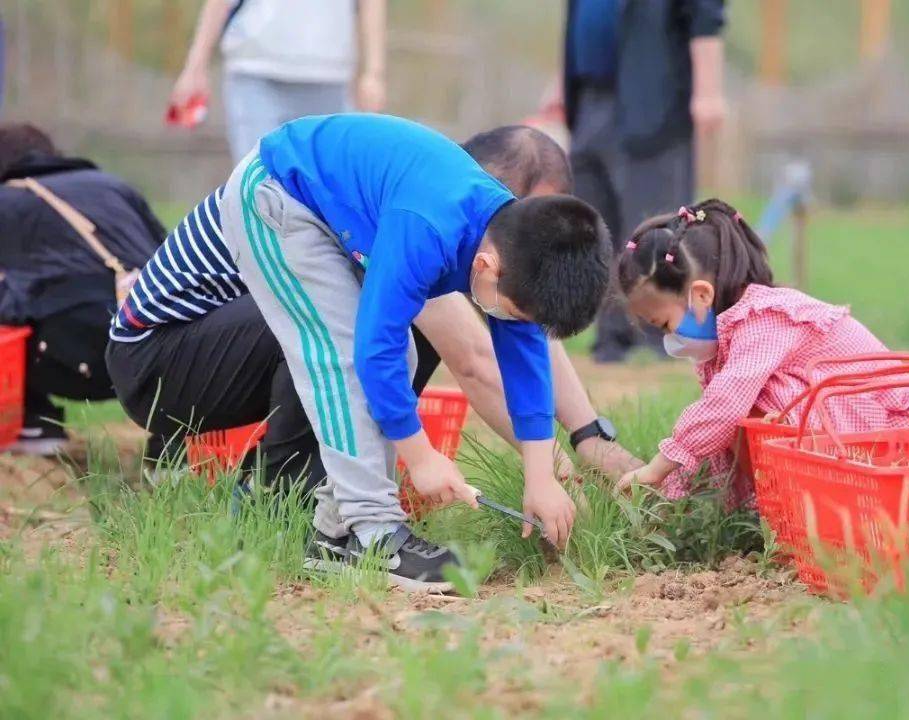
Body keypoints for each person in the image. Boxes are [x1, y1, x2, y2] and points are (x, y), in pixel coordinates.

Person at [109, 114, 615, 591]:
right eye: (517, 312)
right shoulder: (429, 227)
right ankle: (373, 537)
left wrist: (541, 477)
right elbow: (374, 353)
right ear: (487, 265)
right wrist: (422, 459)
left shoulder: (511, 247)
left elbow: (524, 363)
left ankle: (333, 532)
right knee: (344, 357)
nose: (515, 325)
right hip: (277, 197)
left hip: (326, 210)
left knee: (407, 359)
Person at [614, 199, 909, 503]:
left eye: (665, 324)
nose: (669, 339)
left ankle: (808, 501)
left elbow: (723, 409)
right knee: (735, 411)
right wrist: (672, 490)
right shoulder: (734, 335)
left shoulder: (763, 320)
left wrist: (657, 468)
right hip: (858, 430)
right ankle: (767, 504)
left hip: (889, 432)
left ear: (700, 296)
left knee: (748, 403)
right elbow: (715, 436)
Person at [546, 0, 728, 363]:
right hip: (589, 99)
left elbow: (706, 18)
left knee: (653, 225)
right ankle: (611, 337)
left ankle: (658, 338)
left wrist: (708, 90)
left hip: (653, 105)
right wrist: (558, 86)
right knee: (595, 227)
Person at [0, 123, 165, 454]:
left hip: (72, 358)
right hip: (159, 354)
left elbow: (13, 305)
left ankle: (34, 422)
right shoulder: (115, 186)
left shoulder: (6, 202)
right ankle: (173, 445)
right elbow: (169, 255)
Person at [170, 0, 386, 161]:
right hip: (254, 68)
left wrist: (373, 72)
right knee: (256, 185)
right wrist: (195, 66)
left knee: (325, 195)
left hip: (329, 73)